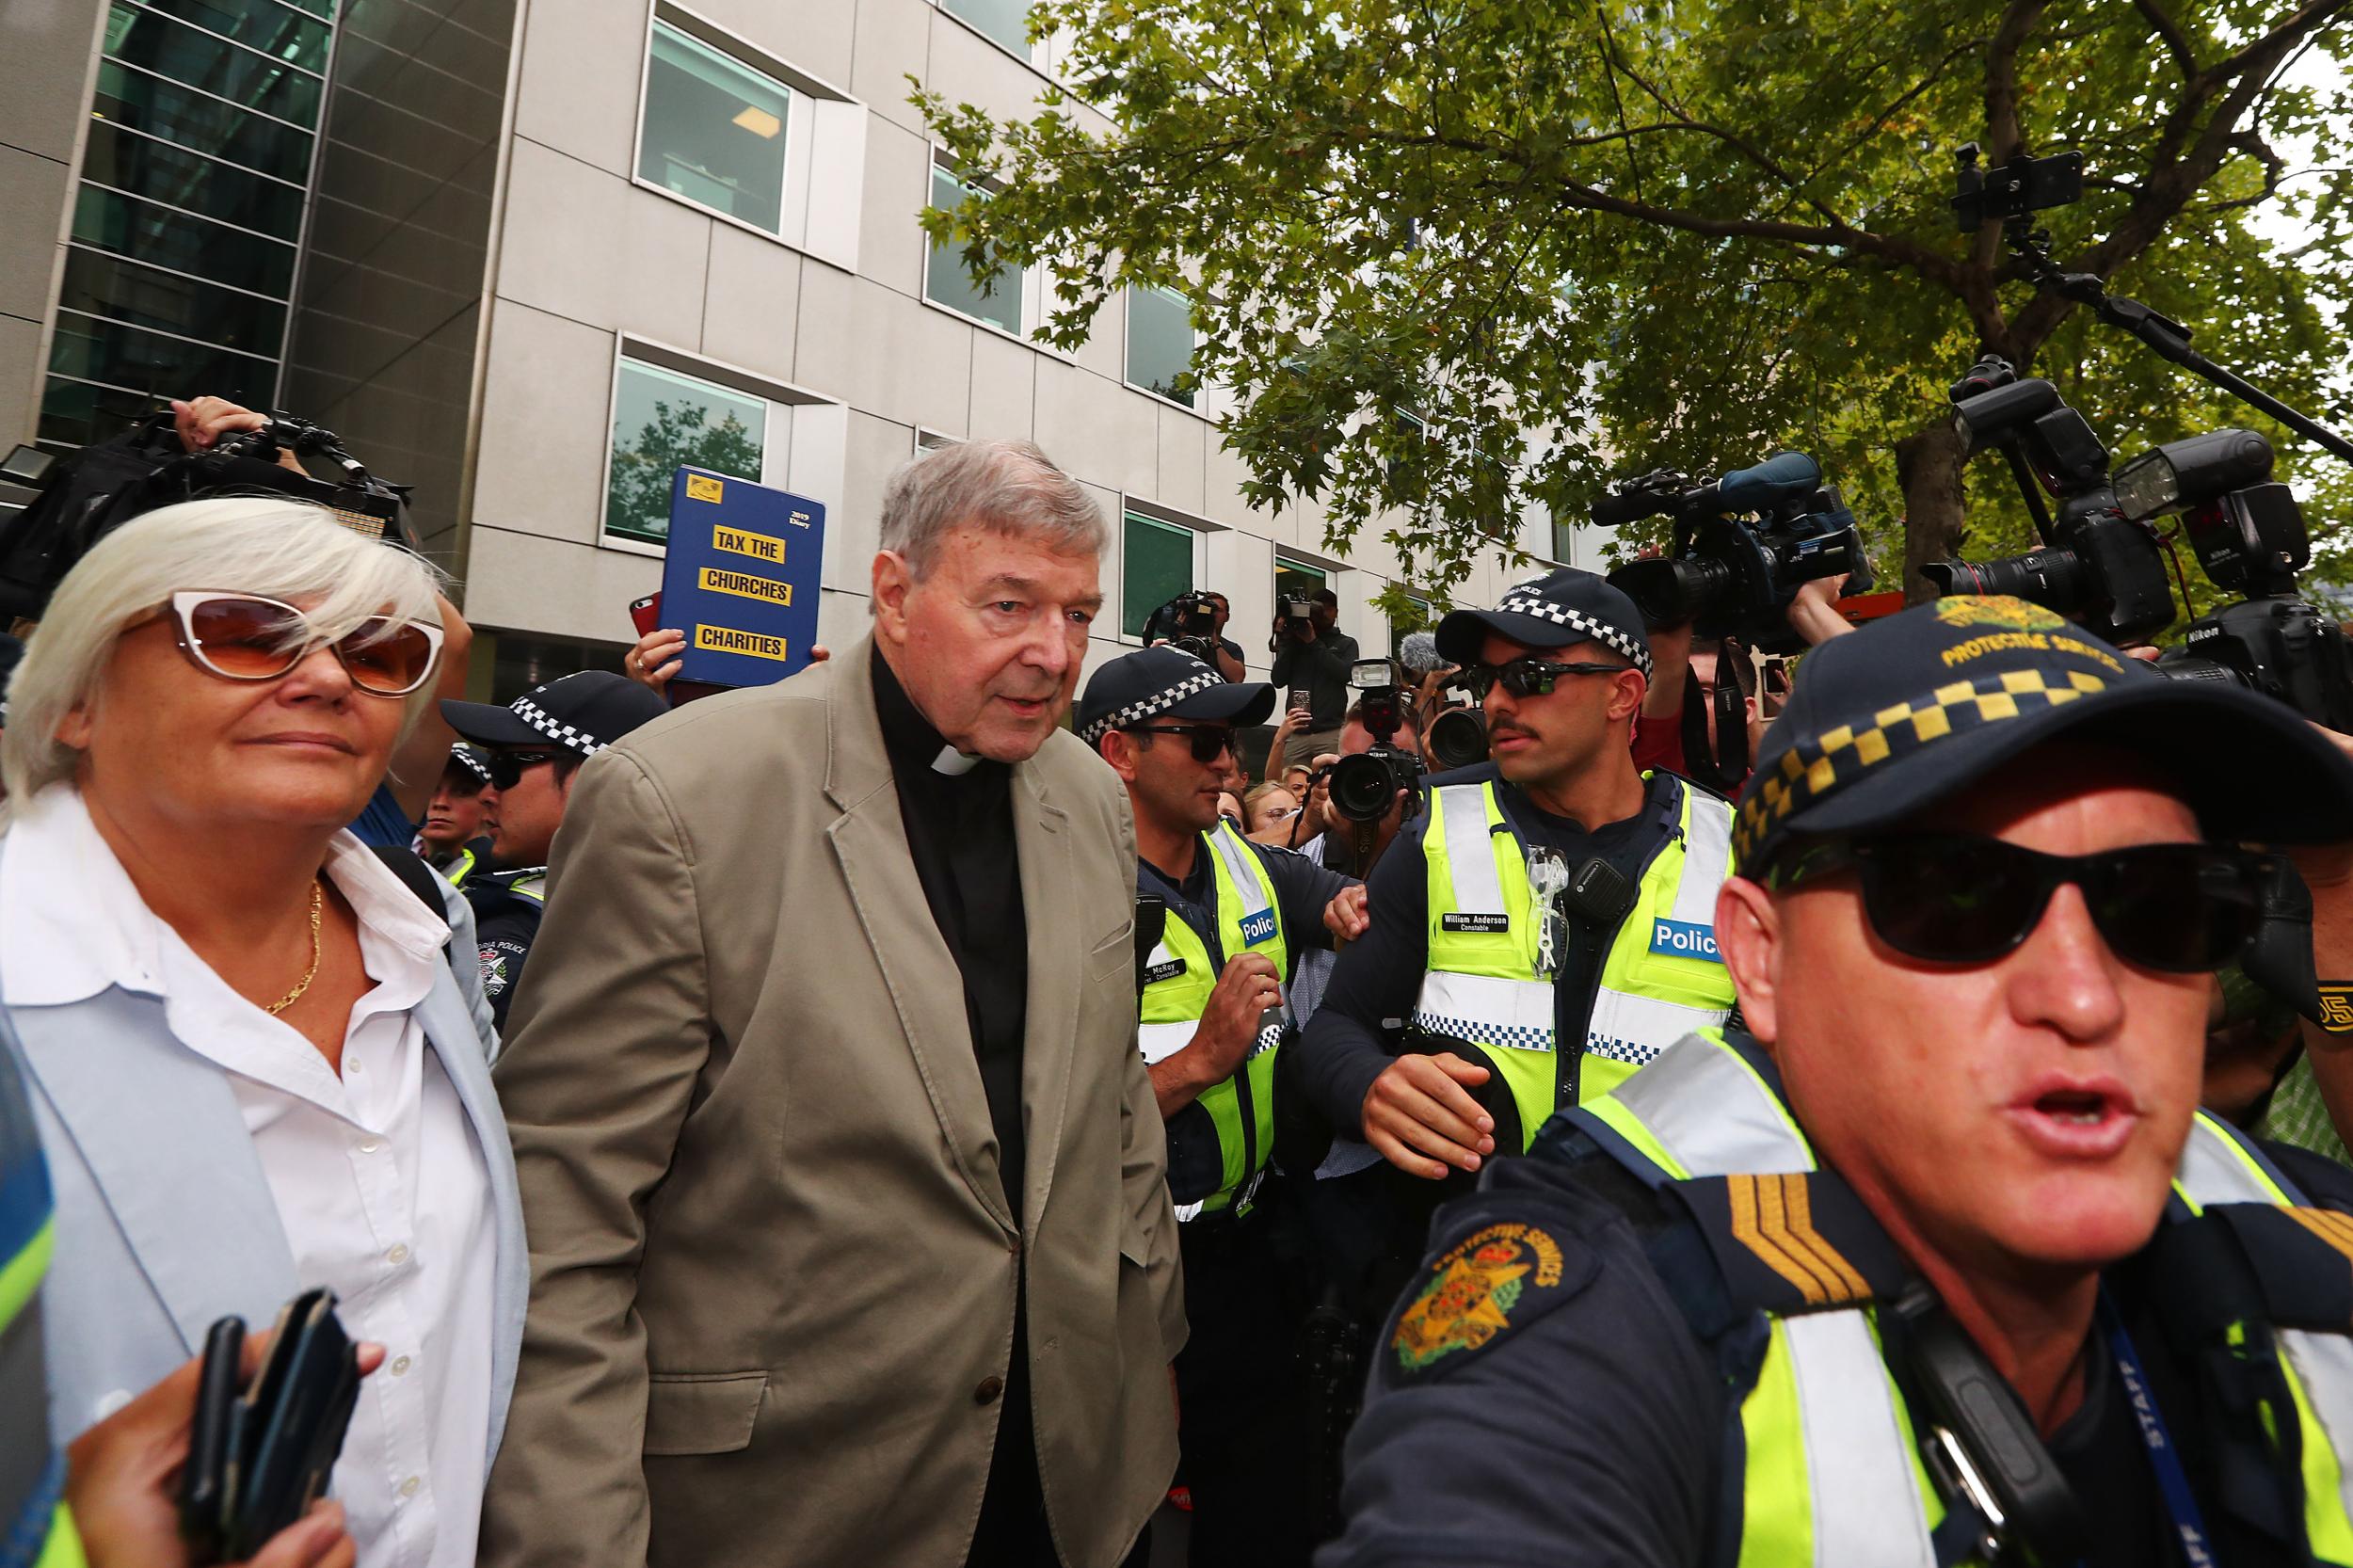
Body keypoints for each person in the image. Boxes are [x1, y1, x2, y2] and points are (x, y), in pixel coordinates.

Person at [1324, 593, 2353, 1566]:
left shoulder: (2313, 1243)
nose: (2084, 999)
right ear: (1761, 957)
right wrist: (1363, 1080)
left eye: (2165, 905)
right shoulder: (1592, 1307)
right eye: (1955, 899)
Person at [479, 439, 1184, 1568]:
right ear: (896, 595)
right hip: (790, 1501)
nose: (1052, 654)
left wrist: (1143, 1359)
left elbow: (1109, 1105)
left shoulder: (1090, 795)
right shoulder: (681, 797)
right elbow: (564, 1216)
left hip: (1070, 1484)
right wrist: (575, 1538)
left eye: (1078, 614)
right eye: (1009, 604)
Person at [3, 498, 527, 1568]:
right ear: (75, 703)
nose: (330, 678)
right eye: (245, 631)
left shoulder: (424, 944)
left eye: (381, 653)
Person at [1292, 567, 1738, 1173]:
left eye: (1533, 676)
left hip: (1671, 1249)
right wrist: (1369, 1085)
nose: (1497, 702)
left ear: (1623, 694)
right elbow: (1335, 1027)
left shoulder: (1732, 848)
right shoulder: (1439, 832)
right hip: (1470, 1243)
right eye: (1487, 679)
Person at [1078, 647, 1365, 1568]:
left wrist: (1373, 904)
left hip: (1245, 1259)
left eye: (1233, 741)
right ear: (1119, 753)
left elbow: (1346, 903)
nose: (1229, 764)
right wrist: (1200, 1061)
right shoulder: (1063, 894)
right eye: (1202, 741)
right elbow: (1036, 1132)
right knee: (1111, 1527)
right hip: (1112, 1275)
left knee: (1261, 1523)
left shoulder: (1241, 860)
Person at [169, 396, 478, 850]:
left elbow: (447, 637)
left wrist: (300, 493)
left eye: (369, 658)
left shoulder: (373, 801)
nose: (326, 678)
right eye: (251, 645)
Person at [440, 672, 668, 1033]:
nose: (486, 793)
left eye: (504, 766)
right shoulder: (677, 908)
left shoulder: (537, 928)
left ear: (595, 778)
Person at [1631, 576, 1851, 790]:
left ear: (1746, 711)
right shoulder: (1646, 779)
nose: (1685, 702)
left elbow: (1883, 697)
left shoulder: (1769, 795)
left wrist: (1807, 607)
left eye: (1705, 691)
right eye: (1680, 690)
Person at [1271, 589, 1358, 768]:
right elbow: (1278, 679)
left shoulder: (1346, 643)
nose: (1324, 613)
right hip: (1297, 733)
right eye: (1319, 608)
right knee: (1292, 786)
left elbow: (1344, 674)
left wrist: (1313, 642)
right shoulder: (1295, 642)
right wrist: (1285, 639)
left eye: (1328, 608)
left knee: (1329, 786)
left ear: (1336, 612)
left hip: (1330, 731)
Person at [413, 745, 496, 886]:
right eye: (430, 789)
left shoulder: (496, 883)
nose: (440, 803)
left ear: (489, 803)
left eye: (464, 792)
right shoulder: (388, 867)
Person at [1203, 591, 1248, 681]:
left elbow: (1237, 678)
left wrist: (1215, 643)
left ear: (1227, 617)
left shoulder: (1232, 648)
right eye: (1210, 609)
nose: (1213, 614)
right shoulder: (1188, 641)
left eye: (1218, 610)